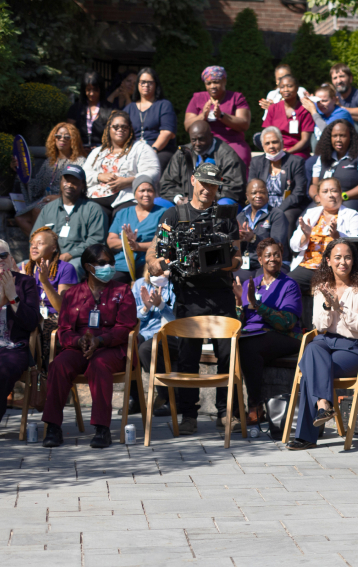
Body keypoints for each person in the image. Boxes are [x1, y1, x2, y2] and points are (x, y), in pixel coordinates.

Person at [145, 163, 242, 436]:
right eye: (204, 183)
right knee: (188, 356)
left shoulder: (225, 216)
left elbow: (237, 257)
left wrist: (219, 263)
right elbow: (155, 252)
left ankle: (227, 413)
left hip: (220, 293)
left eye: (213, 186)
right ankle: (189, 414)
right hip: (189, 293)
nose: (208, 190)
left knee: (227, 354)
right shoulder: (174, 215)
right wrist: (157, 264)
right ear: (192, 181)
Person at [40, 244, 137, 449]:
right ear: (88, 266)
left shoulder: (122, 290)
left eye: (111, 263)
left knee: (99, 364)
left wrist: (100, 341)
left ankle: (102, 428)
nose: (109, 267)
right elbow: (64, 330)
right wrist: (79, 341)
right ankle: (53, 427)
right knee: (59, 365)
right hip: (79, 346)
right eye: (102, 263)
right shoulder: (72, 294)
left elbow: (125, 327)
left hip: (111, 348)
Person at [286, 238, 358, 450]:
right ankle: (323, 405)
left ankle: (309, 432)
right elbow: (319, 325)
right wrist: (328, 305)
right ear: (328, 260)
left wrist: (341, 309)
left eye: (347, 257)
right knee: (314, 348)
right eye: (337, 257)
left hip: (353, 348)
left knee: (311, 366)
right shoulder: (321, 287)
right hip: (326, 342)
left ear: (353, 261)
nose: (342, 262)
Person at [234, 238, 302, 430]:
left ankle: (255, 406)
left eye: (277, 255)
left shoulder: (289, 285)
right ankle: (231, 410)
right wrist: (240, 303)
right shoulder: (252, 284)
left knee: (248, 346)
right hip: (253, 336)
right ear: (261, 260)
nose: (273, 259)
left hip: (284, 337)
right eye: (268, 255)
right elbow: (241, 323)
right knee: (230, 346)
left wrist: (256, 306)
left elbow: (287, 323)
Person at [289, 178, 358, 327]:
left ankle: (320, 330)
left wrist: (336, 235)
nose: (331, 195)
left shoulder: (351, 215)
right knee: (287, 284)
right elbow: (294, 245)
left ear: (341, 194)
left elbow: (356, 244)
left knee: (324, 292)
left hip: (331, 268)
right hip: (307, 265)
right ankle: (293, 328)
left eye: (334, 191)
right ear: (318, 197)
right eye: (325, 191)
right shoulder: (311, 213)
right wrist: (306, 235)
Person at [13, 122, 86, 235]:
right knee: (20, 218)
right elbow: (36, 186)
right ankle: (38, 246)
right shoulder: (50, 161)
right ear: (54, 138)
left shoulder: (79, 161)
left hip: (68, 202)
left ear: (74, 140)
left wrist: (59, 197)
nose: (62, 139)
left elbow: (81, 188)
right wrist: (20, 171)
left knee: (38, 210)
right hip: (45, 199)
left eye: (67, 137)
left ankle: (46, 246)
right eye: (58, 136)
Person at [33, 165, 108, 274]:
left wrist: (70, 254)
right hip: (48, 257)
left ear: (82, 184)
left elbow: (96, 241)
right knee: (23, 266)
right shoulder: (48, 208)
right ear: (60, 182)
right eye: (66, 181)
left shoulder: (94, 209)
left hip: (79, 259)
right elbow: (35, 236)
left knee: (69, 268)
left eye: (74, 182)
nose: (69, 185)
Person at [82, 110, 160, 210]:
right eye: (115, 127)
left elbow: (153, 172)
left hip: (127, 197)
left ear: (130, 129)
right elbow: (83, 174)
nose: (120, 129)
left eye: (124, 127)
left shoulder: (142, 148)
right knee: (93, 212)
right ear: (108, 129)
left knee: (122, 215)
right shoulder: (98, 152)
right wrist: (99, 176)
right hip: (96, 197)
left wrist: (129, 181)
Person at [160, 121, 246, 205]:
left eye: (201, 139)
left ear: (211, 136)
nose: (197, 144)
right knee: (159, 204)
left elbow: (235, 187)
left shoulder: (228, 155)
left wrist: (208, 198)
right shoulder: (182, 153)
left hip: (216, 200)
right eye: (194, 140)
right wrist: (179, 198)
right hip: (185, 201)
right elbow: (166, 183)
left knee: (224, 205)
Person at [0, 241, 40, 416]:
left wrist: (13, 298)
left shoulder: (25, 282)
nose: (0, 260)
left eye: (3, 256)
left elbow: (32, 323)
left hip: (14, 346)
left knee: (2, 370)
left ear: (10, 259)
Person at [132, 262, 176, 418]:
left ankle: (167, 396)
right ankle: (135, 398)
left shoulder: (175, 285)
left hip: (169, 333)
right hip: (146, 331)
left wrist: (161, 305)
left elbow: (177, 320)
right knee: (129, 343)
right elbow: (133, 319)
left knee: (145, 349)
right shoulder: (140, 284)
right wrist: (145, 308)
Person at [308, 118, 358, 215]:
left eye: (343, 136)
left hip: (351, 199)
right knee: (305, 220)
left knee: (339, 220)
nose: (338, 140)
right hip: (324, 201)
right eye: (335, 136)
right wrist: (318, 198)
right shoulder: (323, 158)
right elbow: (314, 185)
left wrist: (342, 196)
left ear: (350, 137)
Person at [184, 66, 252, 167]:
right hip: (203, 143)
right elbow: (187, 126)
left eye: (216, 82)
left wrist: (221, 115)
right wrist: (202, 116)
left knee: (240, 158)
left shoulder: (236, 98)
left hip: (232, 142)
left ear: (224, 81)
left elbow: (244, 124)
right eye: (208, 83)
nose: (212, 86)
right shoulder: (197, 98)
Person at [248, 126, 311, 231]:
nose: (271, 146)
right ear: (263, 146)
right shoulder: (256, 162)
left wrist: (277, 211)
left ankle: (284, 247)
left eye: (275, 142)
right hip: (262, 204)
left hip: (288, 206)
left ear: (282, 143)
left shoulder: (295, 162)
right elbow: (251, 188)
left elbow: (298, 192)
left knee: (286, 216)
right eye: (267, 143)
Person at [107, 175, 169, 281]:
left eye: (150, 190)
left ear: (155, 193)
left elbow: (165, 241)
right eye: (142, 190)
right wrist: (127, 243)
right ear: (134, 193)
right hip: (122, 264)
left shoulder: (164, 213)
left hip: (148, 263)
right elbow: (111, 241)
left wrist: (138, 246)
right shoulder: (123, 213)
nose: (146, 194)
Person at [235, 179, 289, 281]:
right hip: (247, 263)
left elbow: (277, 244)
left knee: (261, 281)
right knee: (233, 278)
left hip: (272, 263)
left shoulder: (277, 215)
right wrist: (239, 238)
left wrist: (254, 238)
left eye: (262, 192)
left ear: (267, 194)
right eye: (254, 193)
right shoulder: (241, 216)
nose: (258, 195)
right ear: (247, 196)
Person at [124, 67, 177, 171]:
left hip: (159, 150)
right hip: (133, 150)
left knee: (154, 165)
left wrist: (153, 150)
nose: (146, 85)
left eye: (150, 82)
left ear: (155, 84)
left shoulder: (164, 105)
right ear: (138, 84)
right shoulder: (129, 108)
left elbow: (167, 133)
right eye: (143, 82)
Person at [262, 74, 314, 160]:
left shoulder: (304, 110)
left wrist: (287, 152)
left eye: (289, 86)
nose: (286, 90)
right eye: (282, 87)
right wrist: (276, 151)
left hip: (298, 152)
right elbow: (267, 134)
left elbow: (305, 140)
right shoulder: (273, 108)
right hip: (275, 150)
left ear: (297, 88)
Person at [66, 71, 114, 154]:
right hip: (79, 151)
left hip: (102, 151)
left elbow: (113, 136)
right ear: (84, 90)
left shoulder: (110, 109)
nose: (91, 93)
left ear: (101, 89)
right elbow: (70, 132)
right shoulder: (75, 108)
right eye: (88, 90)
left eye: (95, 90)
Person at [328, 63, 358, 146]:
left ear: (350, 79)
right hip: (339, 141)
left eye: (342, 76)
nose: (339, 81)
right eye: (335, 78)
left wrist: (340, 108)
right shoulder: (332, 97)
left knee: (357, 122)